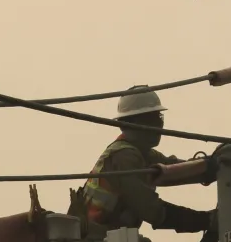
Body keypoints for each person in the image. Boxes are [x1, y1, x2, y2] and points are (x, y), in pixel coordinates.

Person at [75, 86, 214, 234]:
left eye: (159, 117)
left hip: (108, 238)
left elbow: (178, 169)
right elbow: (151, 210)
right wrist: (204, 220)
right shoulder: (124, 157)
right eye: (152, 119)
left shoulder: (142, 153)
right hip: (94, 239)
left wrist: (214, 165)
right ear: (131, 123)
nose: (159, 123)